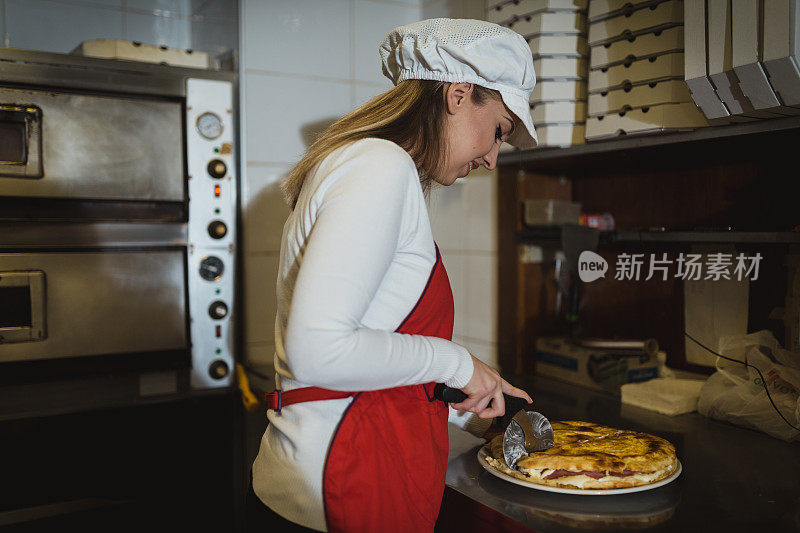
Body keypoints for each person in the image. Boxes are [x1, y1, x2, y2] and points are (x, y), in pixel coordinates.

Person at [247, 18, 538, 533]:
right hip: (338, 486)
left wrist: (459, 394)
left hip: (339, 476)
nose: (494, 158)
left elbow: (369, 346)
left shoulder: (368, 165)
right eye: (498, 130)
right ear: (458, 94)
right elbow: (318, 348)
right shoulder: (380, 166)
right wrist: (455, 363)